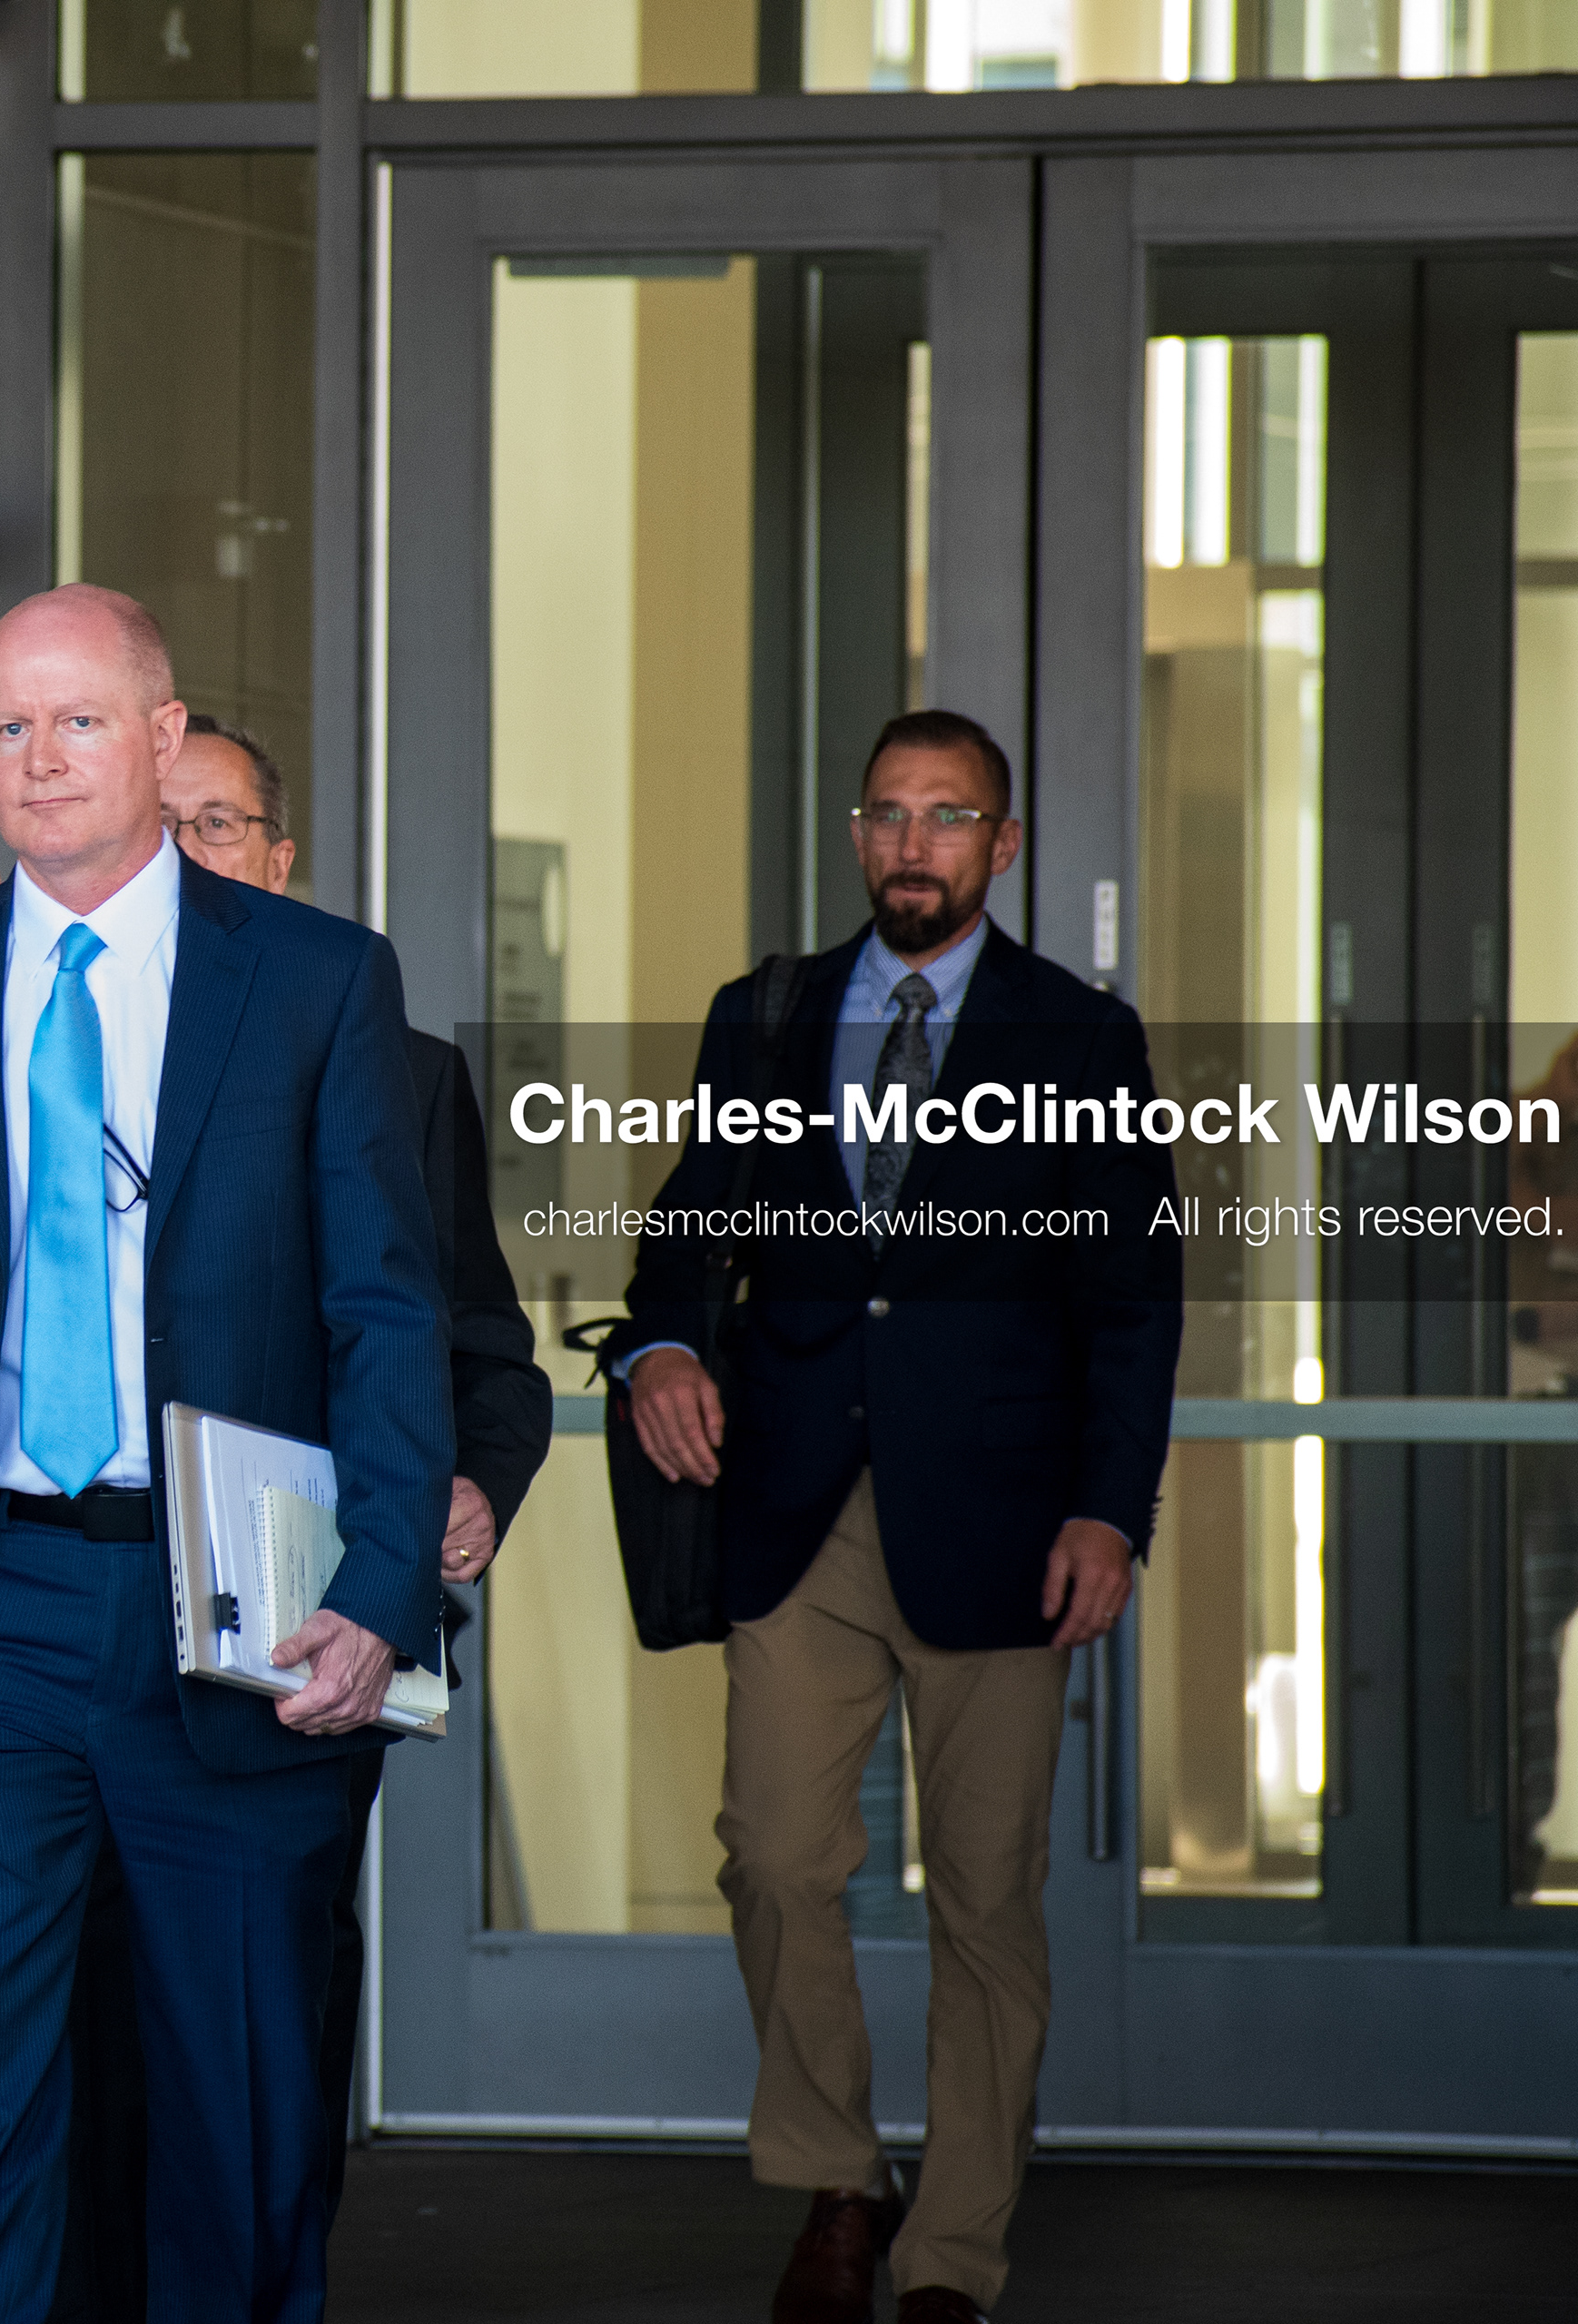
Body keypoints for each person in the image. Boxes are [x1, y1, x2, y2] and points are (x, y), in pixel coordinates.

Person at [0, 584, 454, 2321]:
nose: (36, 759)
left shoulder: (320, 983)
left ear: (163, 742)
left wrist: (383, 1591)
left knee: (234, 2121)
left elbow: (387, 1312)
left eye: (77, 721)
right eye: (8, 726)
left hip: (234, 1612)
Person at [602, 709, 1182, 2324]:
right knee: (779, 1861)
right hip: (796, 1507)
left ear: (1004, 847)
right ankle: (837, 2182)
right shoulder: (764, 1016)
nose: (914, 845)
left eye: (951, 818)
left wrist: (1108, 1514)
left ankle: (952, 2255)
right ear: (857, 837)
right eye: (889, 816)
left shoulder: (1080, 1038)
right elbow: (680, 1243)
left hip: (1004, 1526)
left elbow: (1132, 1303)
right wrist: (654, 1351)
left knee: (986, 1900)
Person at [159, 711, 552, 2225]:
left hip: (319, 1591)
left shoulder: (402, 1064)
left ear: (279, 855)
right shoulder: (67, 1028)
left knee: (287, 1965)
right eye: (168, 825)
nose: (193, 855)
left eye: (220, 826)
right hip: (96, 1591)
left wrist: (469, 1487)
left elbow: (477, 1346)